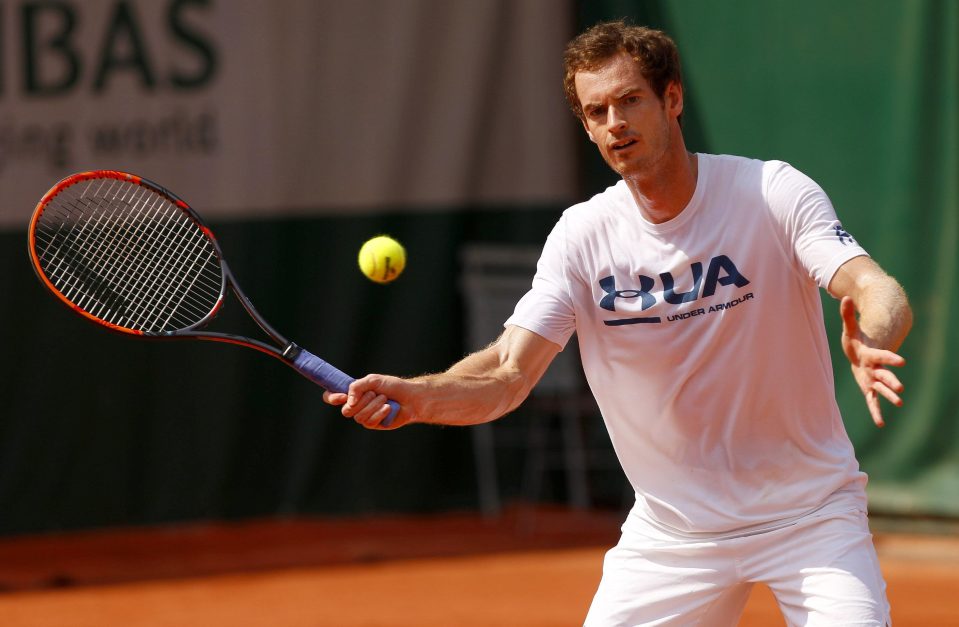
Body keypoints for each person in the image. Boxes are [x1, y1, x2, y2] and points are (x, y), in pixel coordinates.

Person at [324, 20, 913, 626]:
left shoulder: (770, 192)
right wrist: (420, 397)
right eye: (596, 111)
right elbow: (507, 372)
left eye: (630, 100)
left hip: (810, 516)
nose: (615, 124)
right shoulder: (581, 238)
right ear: (585, 125)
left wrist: (871, 335)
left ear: (673, 99)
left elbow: (875, 287)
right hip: (674, 537)